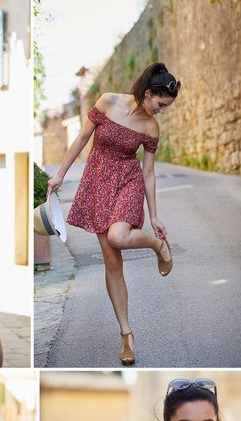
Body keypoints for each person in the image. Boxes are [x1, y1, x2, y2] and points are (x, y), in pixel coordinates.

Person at [47, 63, 179, 366]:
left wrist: (154, 216)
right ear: (148, 93)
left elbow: (148, 173)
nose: (161, 111)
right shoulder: (108, 101)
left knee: (119, 237)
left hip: (128, 181)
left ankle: (156, 245)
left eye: (165, 107)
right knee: (111, 262)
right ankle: (126, 334)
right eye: (161, 104)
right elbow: (81, 139)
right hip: (97, 181)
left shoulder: (151, 127)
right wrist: (60, 175)